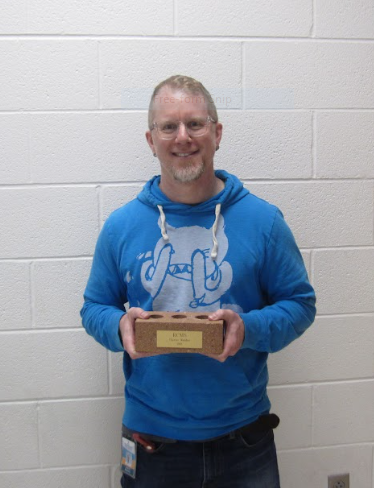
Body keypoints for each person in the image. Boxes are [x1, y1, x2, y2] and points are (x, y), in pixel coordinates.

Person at [81, 75, 316, 488]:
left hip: (244, 439)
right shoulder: (121, 226)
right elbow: (93, 307)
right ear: (151, 140)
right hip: (152, 441)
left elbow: (300, 304)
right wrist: (119, 327)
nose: (183, 137)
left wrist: (249, 329)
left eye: (196, 123)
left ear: (217, 133)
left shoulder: (263, 222)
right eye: (168, 126)